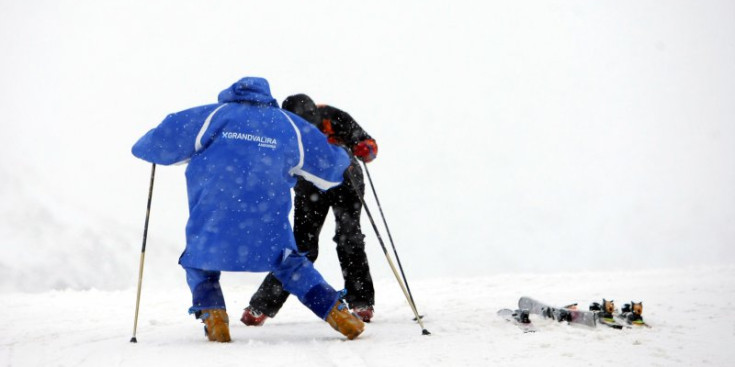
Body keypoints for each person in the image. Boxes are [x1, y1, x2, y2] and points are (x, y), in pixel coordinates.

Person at [131, 77, 365, 342]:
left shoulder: (213, 115)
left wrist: (149, 145)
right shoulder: (288, 125)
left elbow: (162, 140)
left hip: (214, 214)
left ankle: (214, 317)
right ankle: (338, 314)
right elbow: (329, 169)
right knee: (290, 264)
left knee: (199, 260)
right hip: (267, 215)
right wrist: (344, 156)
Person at [241, 94, 378, 326]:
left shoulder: (333, 116)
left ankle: (361, 301)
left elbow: (369, 146)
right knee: (302, 246)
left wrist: (364, 149)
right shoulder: (282, 128)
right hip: (310, 184)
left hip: (347, 180)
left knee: (349, 238)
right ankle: (262, 305)